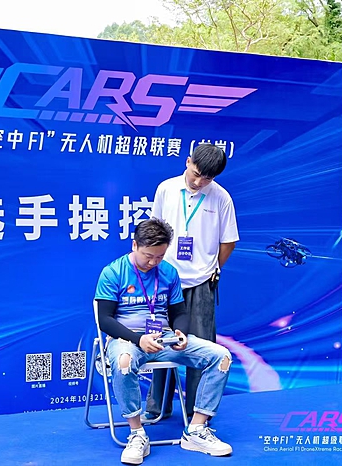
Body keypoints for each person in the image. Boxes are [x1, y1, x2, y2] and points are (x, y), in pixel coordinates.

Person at [95, 218, 233, 464]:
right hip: (127, 339)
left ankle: (196, 430)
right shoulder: (113, 272)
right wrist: (138, 339)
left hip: (165, 339)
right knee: (124, 362)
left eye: (159, 256)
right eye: (148, 256)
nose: (153, 262)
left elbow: (179, 312)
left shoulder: (169, 272)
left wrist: (180, 333)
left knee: (221, 356)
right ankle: (137, 434)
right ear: (134, 245)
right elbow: (104, 319)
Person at [144, 144, 239, 421]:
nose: (198, 182)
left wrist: (212, 269)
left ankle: (197, 413)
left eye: (206, 179)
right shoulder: (166, 189)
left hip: (201, 282)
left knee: (201, 348)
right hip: (165, 280)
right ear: (188, 162)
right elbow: (154, 231)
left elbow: (228, 241)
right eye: (196, 174)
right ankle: (157, 407)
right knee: (160, 342)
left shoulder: (221, 198)